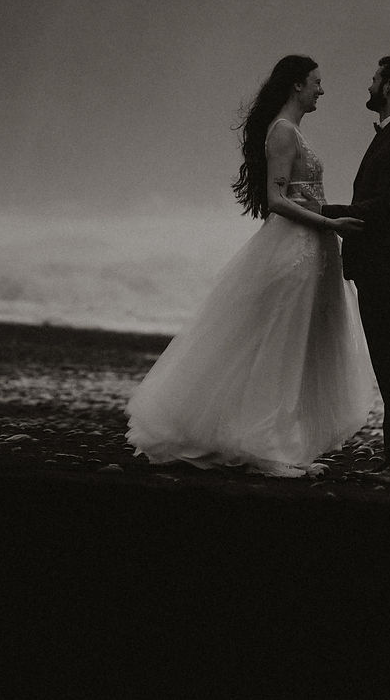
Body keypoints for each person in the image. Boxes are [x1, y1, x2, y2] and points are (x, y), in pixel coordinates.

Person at [125, 55, 373, 478]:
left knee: (298, 346)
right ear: (296, 85)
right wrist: (331, 223)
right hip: (294, 250)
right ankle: (264, 442)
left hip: (313, 249)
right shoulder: (282, 132)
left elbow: (298, 194)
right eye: (316, 81)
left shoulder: (291, 132)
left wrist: (329, 228)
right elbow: (277, 201)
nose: (322, 89)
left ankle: (281, 438)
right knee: (280, 345)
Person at [320, 57, 390, 486]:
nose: (368, 85)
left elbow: (388, 211)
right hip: (385, 268)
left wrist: (326, 214)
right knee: (389, 364)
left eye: (373, 78)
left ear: (388, 86)